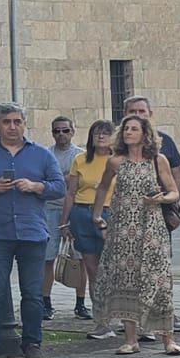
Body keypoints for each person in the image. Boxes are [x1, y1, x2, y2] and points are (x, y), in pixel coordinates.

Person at [0, 102, 64, 358]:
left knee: (32, 293)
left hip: (32, 232)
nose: (12, 127)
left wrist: (36, 186)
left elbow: (59, 187)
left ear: (24, 123)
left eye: (17, 121)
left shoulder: (41, 155)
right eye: (7, 122)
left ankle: (32, 344)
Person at [95, 114, 179, 357]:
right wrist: (97, 215)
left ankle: (168, 339)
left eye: (134, 129)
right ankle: (130, 339)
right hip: (122, 230)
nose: (128, 132)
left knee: (158, 280)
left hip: (151, 228)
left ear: (145, 134)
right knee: (126, 280)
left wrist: (161, 198)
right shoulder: (115, 162)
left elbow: (173, 191)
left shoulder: (157, 160)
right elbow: (102, 187)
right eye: (126, 129)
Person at [124, 96, 180, 335]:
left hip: (158, 215)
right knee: (130, 269)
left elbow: (176, 176)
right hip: (127, 219)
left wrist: (173, 205)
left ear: (150, 114)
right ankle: (134, 318)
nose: (138, 114)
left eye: (142, 111)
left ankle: (163, 313)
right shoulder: (120, 145)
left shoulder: (165, 142)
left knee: (160, 267)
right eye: (133, 111)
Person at [63, 119, 117, 332]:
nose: (100, 137)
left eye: (105, 133)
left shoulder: (118, 160)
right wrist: (64, 222)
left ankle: (123, 316)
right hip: (82, 212)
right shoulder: (81, 159)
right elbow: (71, 192)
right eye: (96, 133)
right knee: (93, 270)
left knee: (114, 269)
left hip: (109, 212)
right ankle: (101, 320)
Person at [39, 117, 78, 307]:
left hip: (75, 209)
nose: (61, 135)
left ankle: (80, 302)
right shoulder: (46, 154)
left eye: (65, 130)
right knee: (48, 256)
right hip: (50, 208)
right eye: (57, 131)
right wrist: (65, 178)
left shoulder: (81, 155)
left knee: (78, 258)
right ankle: (46, 300)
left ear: (73, 131)